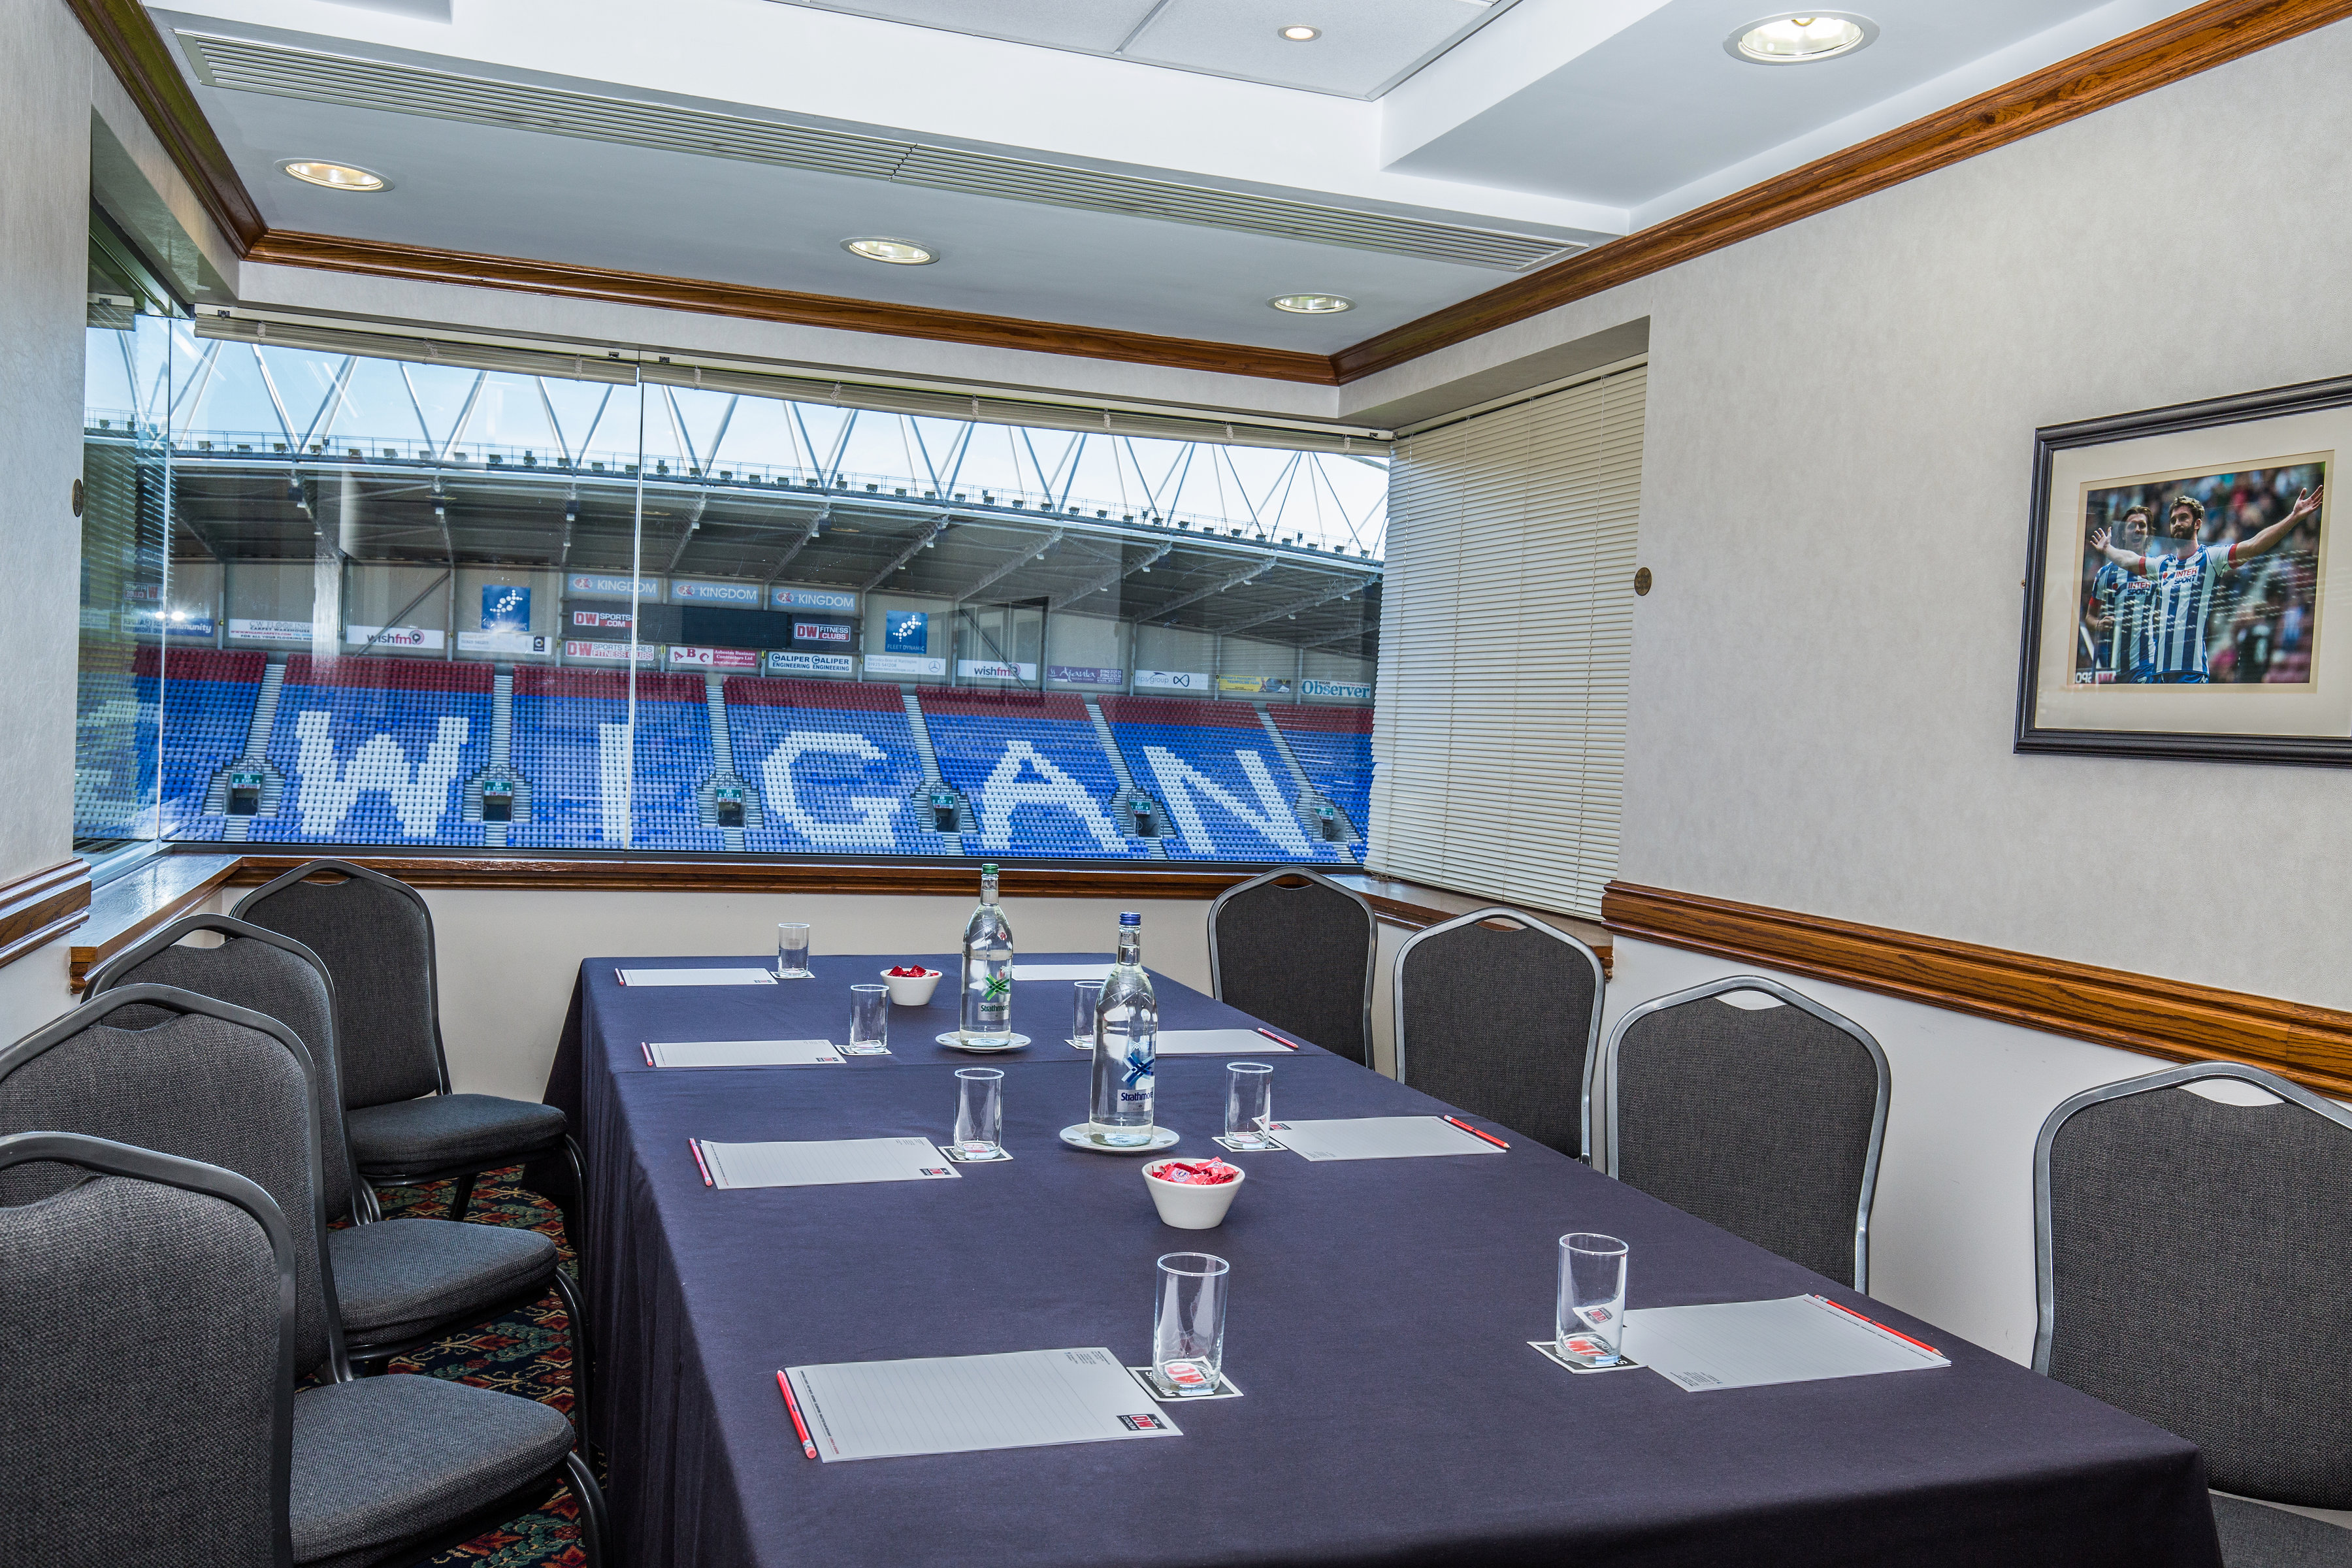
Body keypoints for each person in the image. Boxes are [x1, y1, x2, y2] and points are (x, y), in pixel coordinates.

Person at [2089, 485, 2323, 683]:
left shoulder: (2211, 558)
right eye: (2173, 520)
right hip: (2159, 673)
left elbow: (2253, 546)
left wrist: (2294, 518)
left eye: (2183, 518)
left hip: (2192, 673)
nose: (2177, 524)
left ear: (2198, 523)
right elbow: (2130, 560)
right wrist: (2108, 548)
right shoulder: (2162, 565)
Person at [2083, 504, 2157, 681]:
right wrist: (2099, 624)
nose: (2138, 530)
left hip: (2147, 664)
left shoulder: (2156, 569)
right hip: (2114, 667)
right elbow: (2089, 618)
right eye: (2132, 526)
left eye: (2142, 525)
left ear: (2148, 533)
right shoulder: (2106, 574)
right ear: (2123, 534)